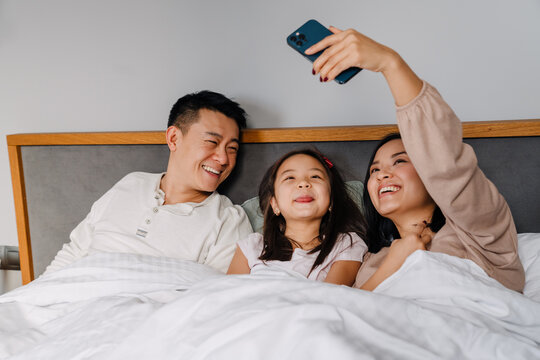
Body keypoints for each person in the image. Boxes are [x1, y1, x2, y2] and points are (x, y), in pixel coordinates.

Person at [307, 27, 525, 292]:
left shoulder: (480, 231)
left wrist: (390, 63)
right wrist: (397, 259)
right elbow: (349, 314)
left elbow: (447, 164)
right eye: (374, 170)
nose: (381, 174)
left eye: (399, 161)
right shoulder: (370, 263)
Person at [44, 91, 253, 274]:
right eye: (212, 142)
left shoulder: (228, 220)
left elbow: (216, 298)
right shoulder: (131, 184)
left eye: (232, 148)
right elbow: (74, 251)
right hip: (73, 303)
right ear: (173, 138)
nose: (224, 158)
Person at [227, 148, 368, 286]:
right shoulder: (252, 246)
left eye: (315, 176)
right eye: (290, 178)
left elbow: (330, 297)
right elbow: (230, 297)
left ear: (331, 201)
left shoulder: (346, 245)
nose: (303, 183)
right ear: (275, 204)